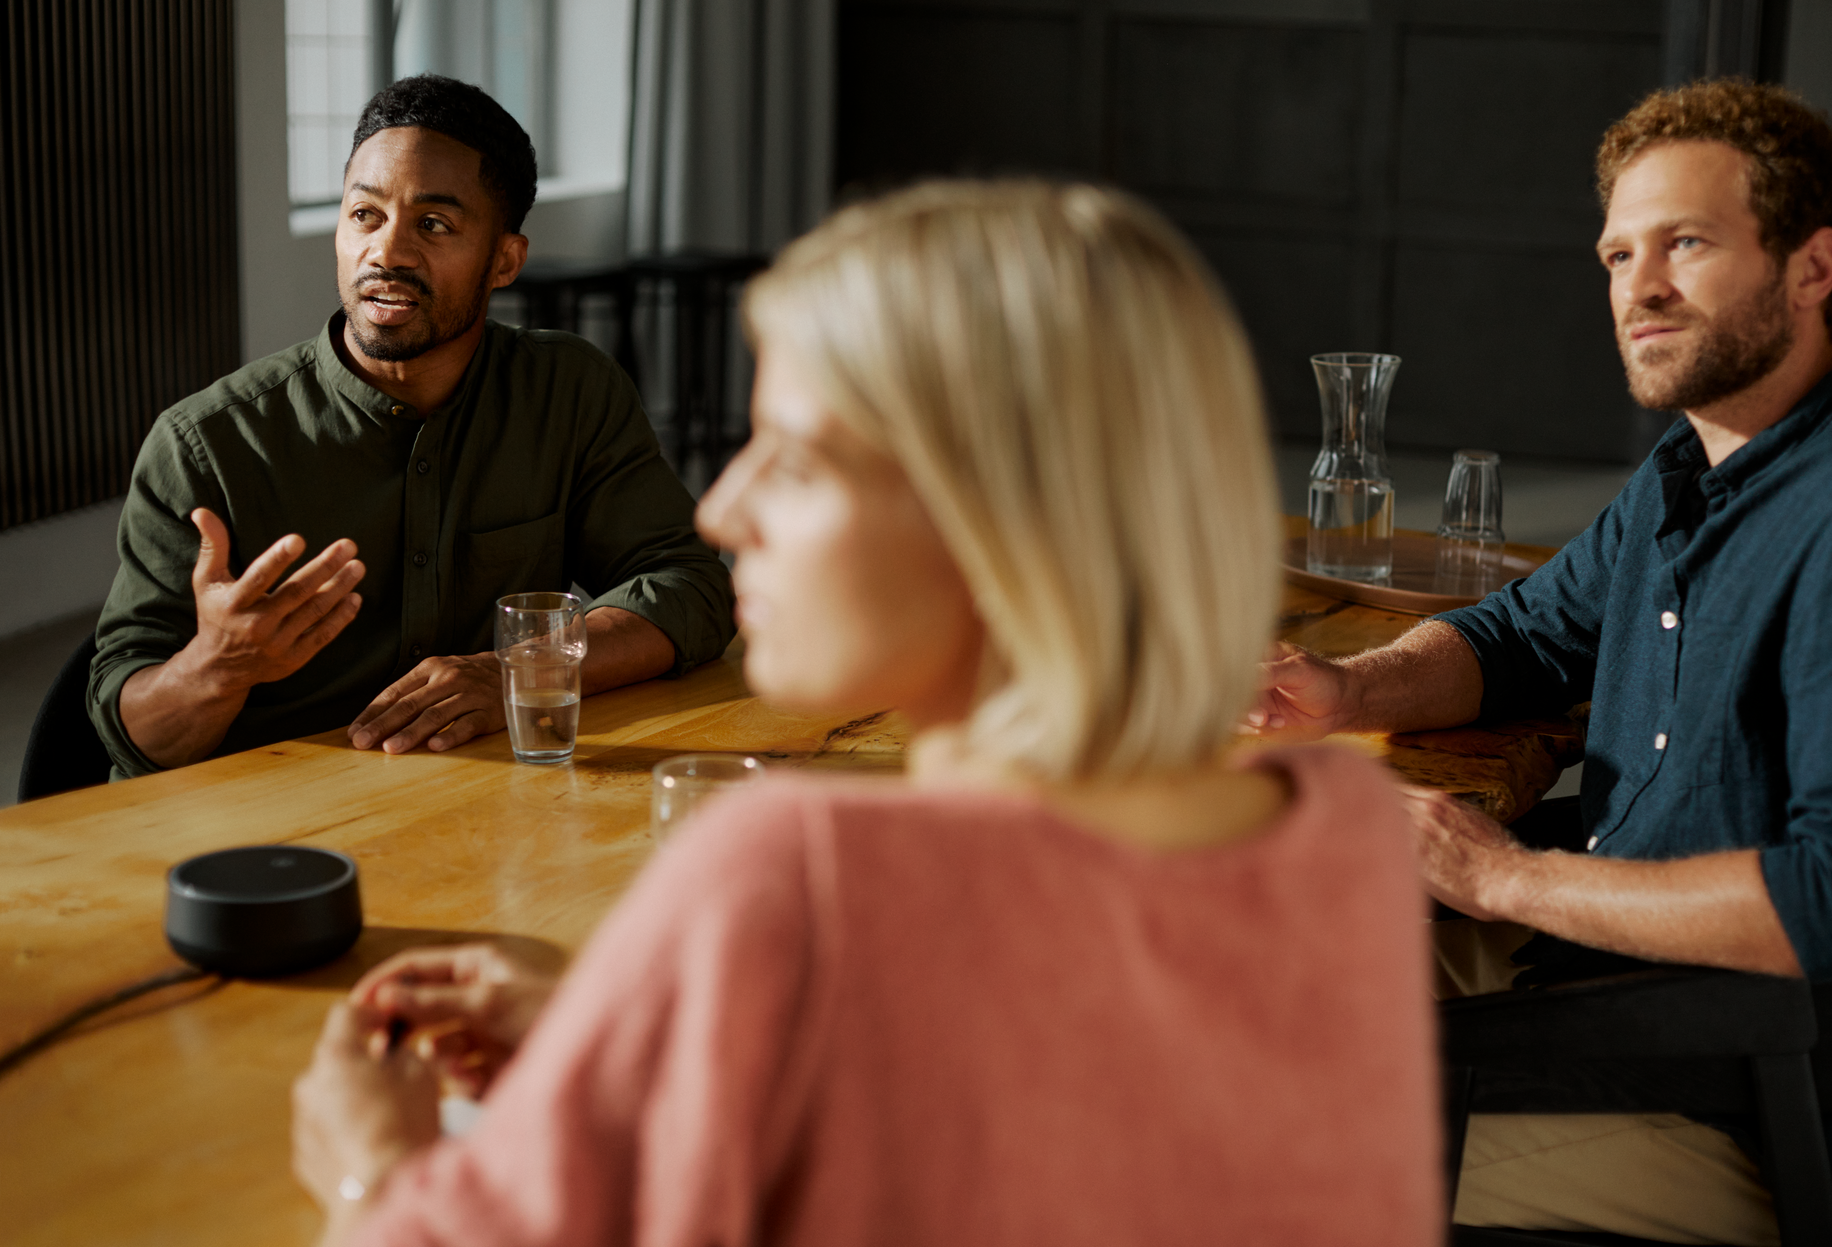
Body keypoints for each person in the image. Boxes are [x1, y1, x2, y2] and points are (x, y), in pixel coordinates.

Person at [289, 181, 1444, 1246]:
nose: (725, 507)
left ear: (998, 513)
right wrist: (675, 1020)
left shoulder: (795, 872)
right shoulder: (1345, 829)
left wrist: (374, 1167)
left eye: (793, 460)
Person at [1252, 79, 1832, 1243]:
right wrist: (1349, 690)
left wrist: (1504, 877)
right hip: (1591, 982)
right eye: (1618, 254)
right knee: (1213, 975)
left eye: (1687, 244)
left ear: (1812, 269)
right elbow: (1520, 635)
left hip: (1737, 1108)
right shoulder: (1691, 470)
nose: (1638, 288)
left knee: (1197, 1134)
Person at [88, 74, 733, 777]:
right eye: (365, 215)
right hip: (271, 832)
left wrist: (514, 671)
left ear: (505, 261)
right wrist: (217, 666)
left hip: (482, 807)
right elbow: (132, 737)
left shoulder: (567, 391)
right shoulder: (204, 446)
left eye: (434, 224)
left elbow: (692, 586)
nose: (387, 253)